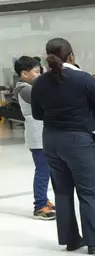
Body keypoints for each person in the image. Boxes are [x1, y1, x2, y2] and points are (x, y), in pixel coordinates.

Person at [30, 38, 95, 254]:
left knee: (62, 192)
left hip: (51, 140)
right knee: (88, 191)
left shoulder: (40, 82)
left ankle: (70, 239)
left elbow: (37, 114)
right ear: (71, 56)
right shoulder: (83, 78)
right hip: (78, 141)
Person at [13, 56, 56, 220]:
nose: (41, 74)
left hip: (41, 133)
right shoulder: (24, 89)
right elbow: (45, 97)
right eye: (37, 72)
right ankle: (39, 205)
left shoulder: (28, 86)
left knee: (47, 169)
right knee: (42, 170)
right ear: (24, 74)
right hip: (37, 135)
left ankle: (44, 200)